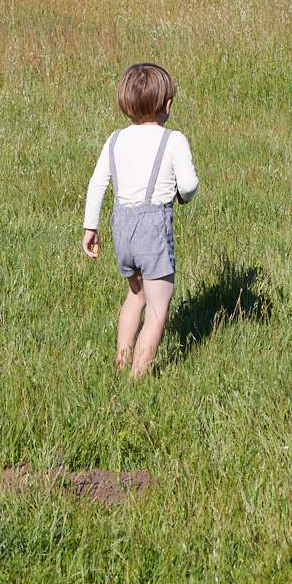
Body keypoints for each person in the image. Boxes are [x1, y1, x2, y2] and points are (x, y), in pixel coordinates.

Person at [82, 62, 199, 377]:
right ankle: (138, 378)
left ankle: (121, 361)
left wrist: (90, 228)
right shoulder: (173, 140)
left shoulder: (115, 139)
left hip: (122, 228)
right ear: (168, 105)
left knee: (136, 295)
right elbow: (188, 186)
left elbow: (97, 184)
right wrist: (183, 197)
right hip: (153, 229)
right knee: (159, 309)